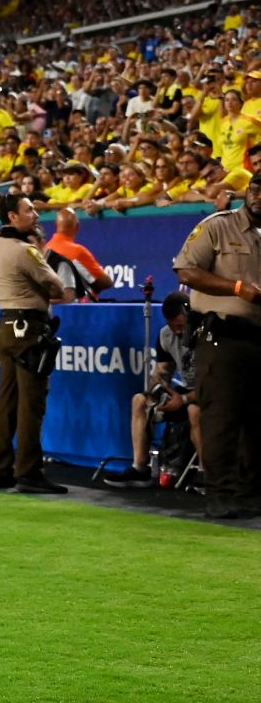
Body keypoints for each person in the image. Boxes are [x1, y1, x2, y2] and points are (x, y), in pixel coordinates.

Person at [171, 175, 261, 517]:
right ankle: (220, 495)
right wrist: (237, 288)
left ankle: (250, 492)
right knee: (221, 418)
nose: (259, 196)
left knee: (256, 421)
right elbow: (186, 271)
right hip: (223, 337)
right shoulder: (218, 227)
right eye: (255, 189)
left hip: (258, 338)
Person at [0, 193, 72, 493]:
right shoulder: (26, 251)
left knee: (6, 402)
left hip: (6, 325)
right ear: (12, 217)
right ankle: (29, 472)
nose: (36, 214)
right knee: (31, 404)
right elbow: (57, 285)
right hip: (28, 329)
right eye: (29, 209)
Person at [104, 293, 202, 488]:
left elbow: (216, 384)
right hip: (182, 392)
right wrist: (155, 394)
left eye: (181, 327)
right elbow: (162, 372)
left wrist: (182, 400)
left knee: (194, 410)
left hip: (207, 393)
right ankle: (139, 469)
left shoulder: (205, 334)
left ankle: (206, 474)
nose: (178, 332)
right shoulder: (166, 335)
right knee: (139, 401)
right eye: (173, 326)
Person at [44, 209, 115, 300]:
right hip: (76, 308)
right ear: (77, 226)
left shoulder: (45, 249)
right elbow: (105, 282)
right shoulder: (77, 252)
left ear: (55, 225)